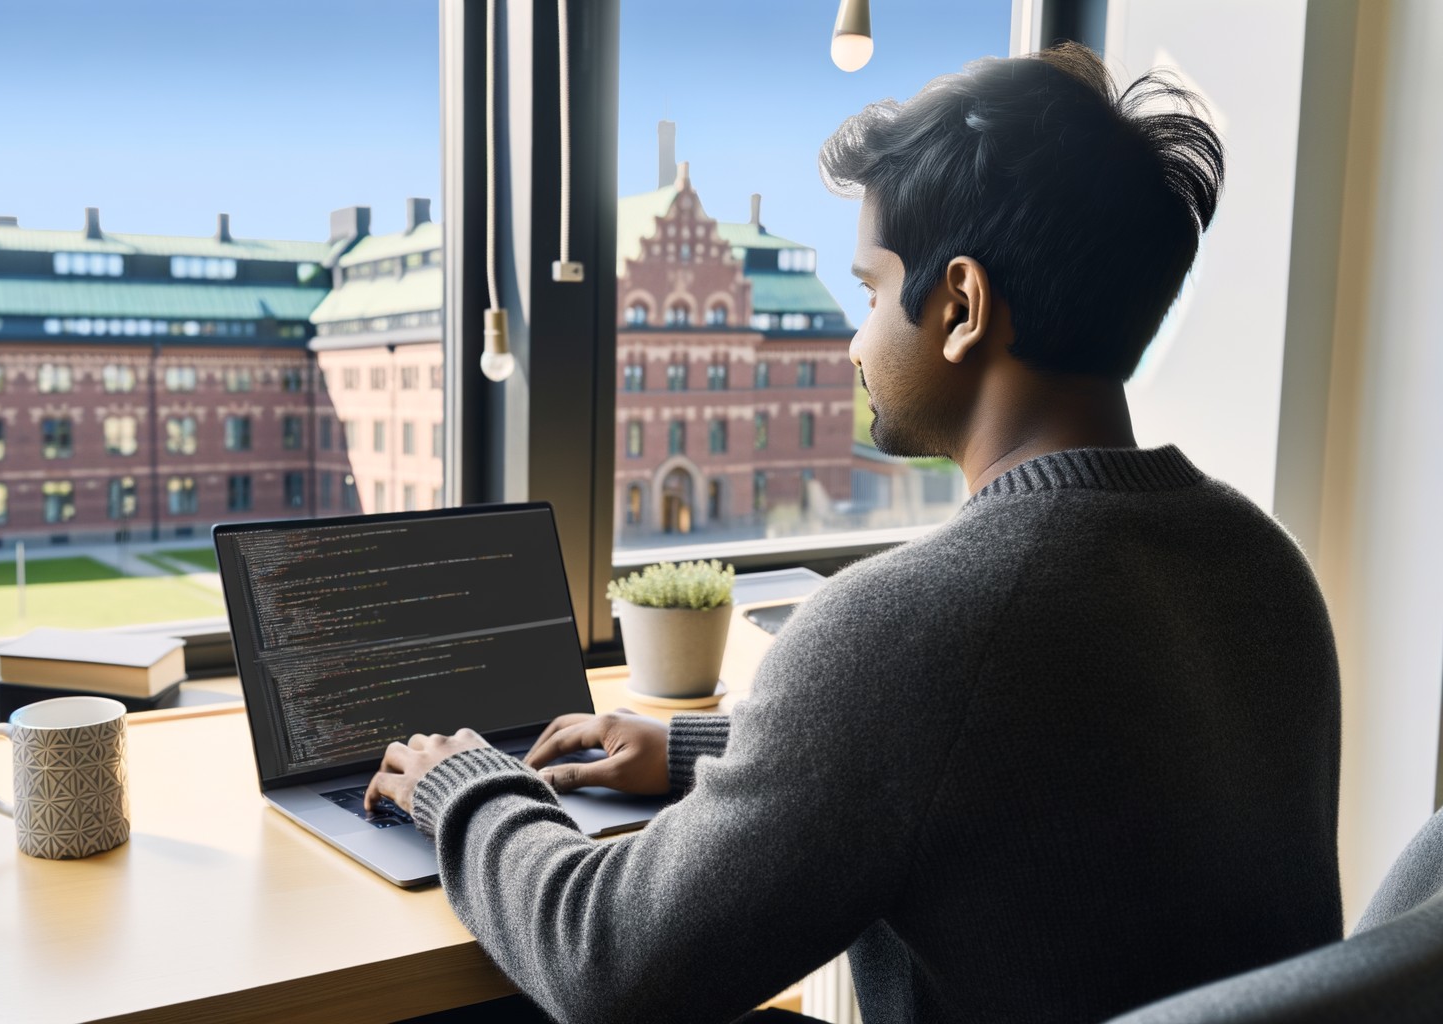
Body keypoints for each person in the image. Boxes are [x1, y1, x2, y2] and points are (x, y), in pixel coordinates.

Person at [366, 43, 1340, 1024]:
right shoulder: (1261, 566)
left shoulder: (910, 624)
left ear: (959, 306)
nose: (852, 341)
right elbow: (1027, 760)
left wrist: (466, 786)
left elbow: (606, 962)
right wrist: (697, 746)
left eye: (871, 291)